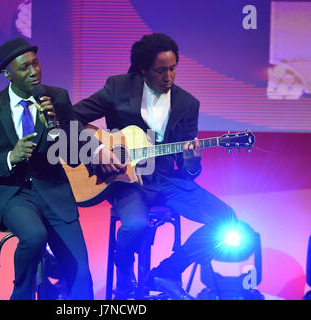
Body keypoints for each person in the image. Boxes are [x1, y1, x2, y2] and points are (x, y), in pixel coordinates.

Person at [73, 33, 238, 299]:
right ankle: (124, 270)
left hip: (164, 179)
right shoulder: (118, 88)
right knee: (136, 225)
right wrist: (97, 150)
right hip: (122, 177)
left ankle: (168, 272)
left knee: (227, 220)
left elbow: (188, 172)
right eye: (161, 70)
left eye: (173, 69)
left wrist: (192, 161)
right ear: (143, 69)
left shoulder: (187, 104)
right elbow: (71, 118)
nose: (168, 77)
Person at [0, 37, 93, 300]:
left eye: (36, 64)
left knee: (80, 274)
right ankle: (20, 295)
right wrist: (10, 157)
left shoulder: (57, 98)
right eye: (25, 67)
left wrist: (58, 127)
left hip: (55, 194)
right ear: (7, 73)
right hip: (13, 195)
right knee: (34, 236)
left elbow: (77, 156)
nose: (34, 72)